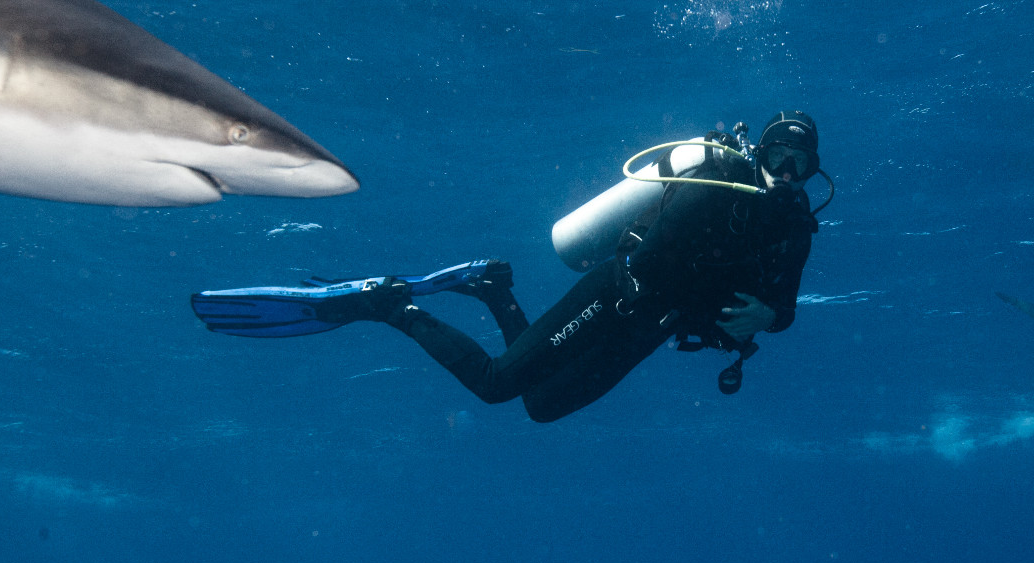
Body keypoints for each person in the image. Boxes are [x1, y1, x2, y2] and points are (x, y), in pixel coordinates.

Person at [193, 112, 827, 422]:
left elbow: (788, 310)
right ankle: (389, 305)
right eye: (780, 154)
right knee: (498, 384)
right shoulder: (719, 182)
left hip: (652, 328)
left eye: (801, 161)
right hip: (619, 296)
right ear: (760, 151)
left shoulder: (795, 226)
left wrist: (771, 313)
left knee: (541, 406)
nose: (788, 171)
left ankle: (494, 290)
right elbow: (660, 251)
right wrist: (718, 282)